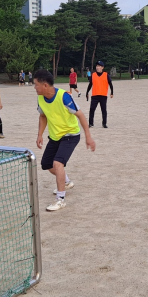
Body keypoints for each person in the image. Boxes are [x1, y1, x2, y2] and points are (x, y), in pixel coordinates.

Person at [34, 69, 95, 212]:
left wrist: (88, 136)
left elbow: (80, 115)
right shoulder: (41, 98)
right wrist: (40, 135)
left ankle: (60, 200)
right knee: (47, 164)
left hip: (71, 135)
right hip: (55, 136)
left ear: (45, 85)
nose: (34, 87)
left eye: (36, 84)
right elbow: (43, 116)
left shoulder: (64, 97)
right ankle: (66, 182)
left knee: (58, 163)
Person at [85, 60, 113, 128]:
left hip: (103, 95)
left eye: (99, 66)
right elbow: (90, 84)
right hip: (95, 95)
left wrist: (112, 92)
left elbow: (110, 84)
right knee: (92, 109)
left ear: (102, 67)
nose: (98, 67)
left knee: (103, 110)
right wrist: (87, 92)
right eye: (97, 66)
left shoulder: (106, 75)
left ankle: (104, 123)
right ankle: (91, 123)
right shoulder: (93, 75)